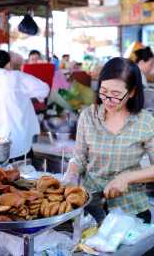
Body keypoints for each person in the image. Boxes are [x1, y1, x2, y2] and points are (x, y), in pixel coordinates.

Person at [64, 57, 154, 225]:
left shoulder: (145, 121)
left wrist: (127, 178)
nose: (107, 100)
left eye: (116, 95)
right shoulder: (88, 116)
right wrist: (71, 174)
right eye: (103, 91)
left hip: (131, 209)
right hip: (91, 206)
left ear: (132, 92)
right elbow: (79, 157)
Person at [0, 50, 49, 162]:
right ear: (8, 63)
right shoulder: (16, 77)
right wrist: (29, 95)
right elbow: (44, 89)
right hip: (18, 145)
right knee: (21, 178)